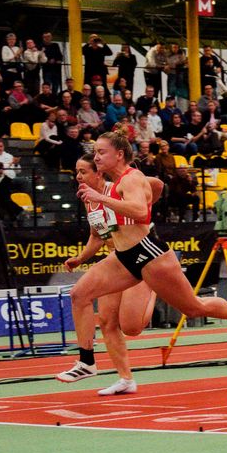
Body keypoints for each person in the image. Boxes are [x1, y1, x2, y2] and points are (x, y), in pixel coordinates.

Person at [60, 129, 227, 385]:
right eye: (93, 156)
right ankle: (90, 363)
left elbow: (146, 203)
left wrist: (141, 201)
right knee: (85, 300)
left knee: (189, 309)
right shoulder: (97, 195)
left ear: (116, 157)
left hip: (148, 255)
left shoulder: (129, 179)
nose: (92, 163)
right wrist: (80, 258)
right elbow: (97, 235)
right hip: (121, 257)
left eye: (99, 154)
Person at [59, 156, 164, 395]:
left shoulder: (118, 188)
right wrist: (80, 258)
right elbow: (97, 236)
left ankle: (156, 285)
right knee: (107, 321)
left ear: (99, 173)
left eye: (83, 172)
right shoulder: (89, 200)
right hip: (115, 260)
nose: (78, 177)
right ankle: (125, 379)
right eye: (76, 172)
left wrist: (146, 207)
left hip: (139, 257)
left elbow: (156, 184)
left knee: (132, 327)